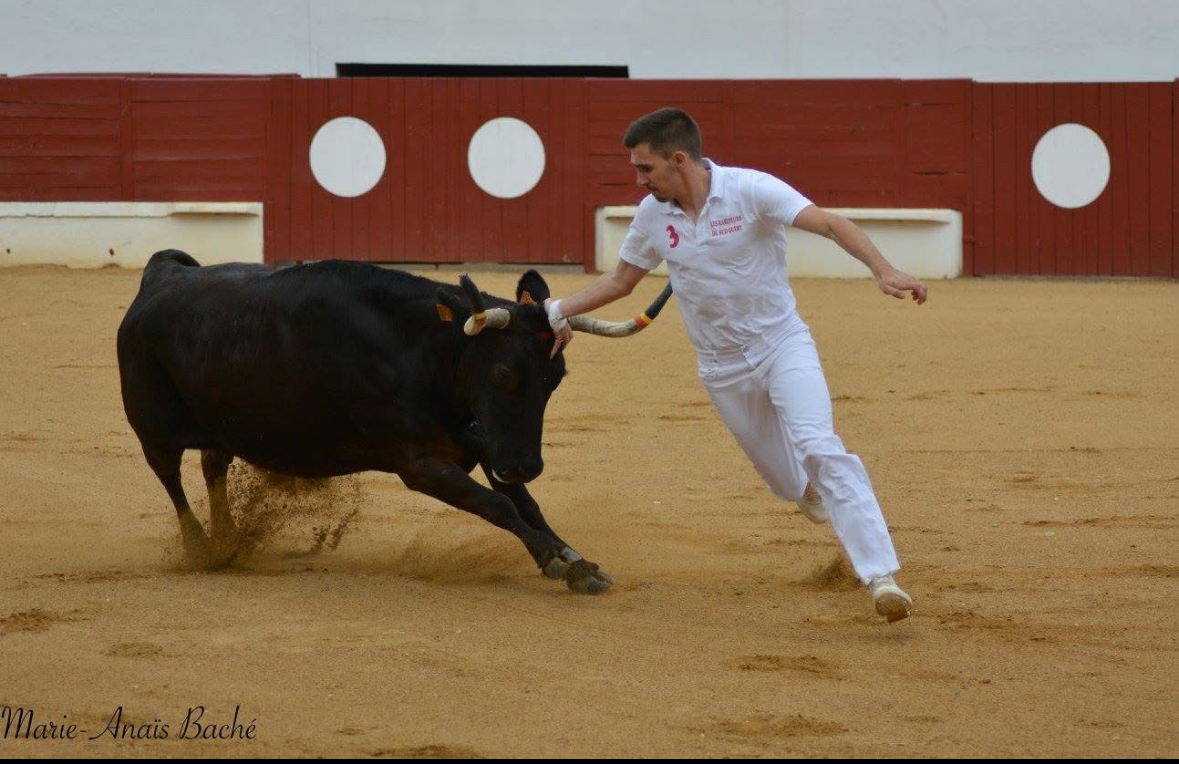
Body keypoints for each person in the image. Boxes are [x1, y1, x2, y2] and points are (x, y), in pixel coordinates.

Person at [545, 107, 927, 622]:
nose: (638, 180)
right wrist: (555, 311)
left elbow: (831, 223)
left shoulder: (750, 190)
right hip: (722, 368)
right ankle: (803, 488)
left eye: (645, 169)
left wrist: (884, 270)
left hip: (781, 344)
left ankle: (881, 576)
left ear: (678, 160)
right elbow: (620, 282)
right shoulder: (652, 215)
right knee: (785, 482)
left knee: (819, 445)